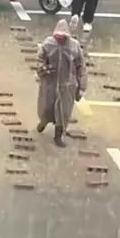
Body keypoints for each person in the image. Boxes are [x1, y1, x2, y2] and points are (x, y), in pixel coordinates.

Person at [36, 19, 87, 147]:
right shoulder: (48, 44)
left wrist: (81, 87)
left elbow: (81, 66)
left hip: (67, 85)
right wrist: (43, 69)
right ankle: (43, 121)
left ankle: (58, 135)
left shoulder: (74, 46)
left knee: (63, 112)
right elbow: (40, 59)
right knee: (47, 107)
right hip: (50, 83)